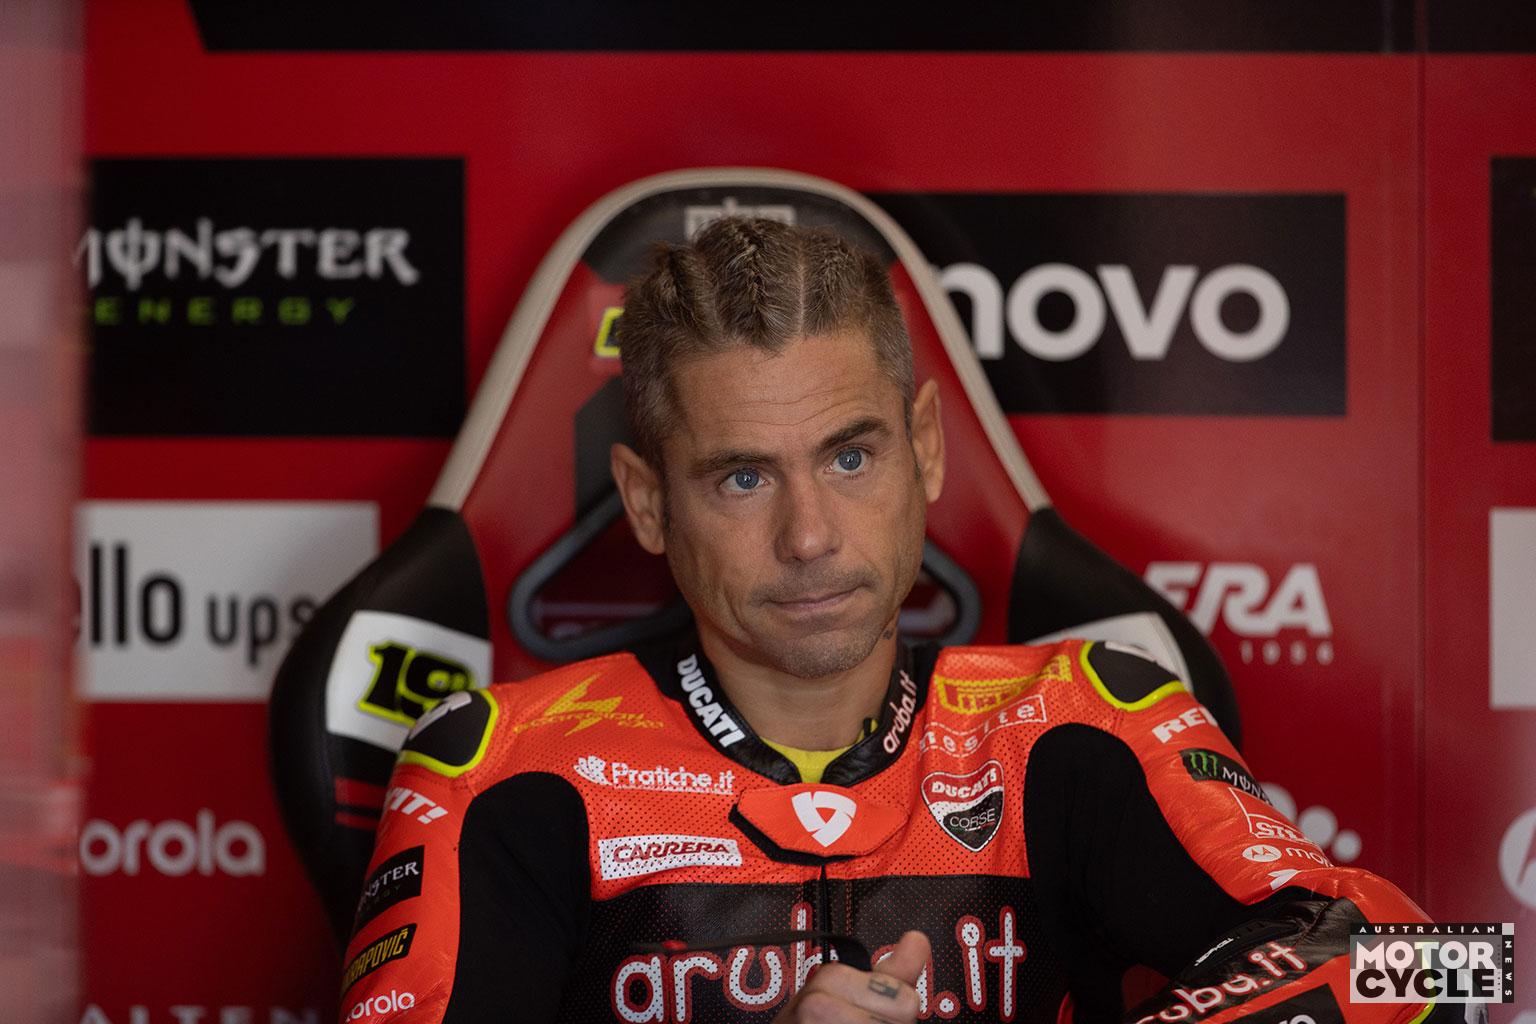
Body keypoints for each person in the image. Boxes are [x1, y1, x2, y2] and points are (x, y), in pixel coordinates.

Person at [337, 218, 1450, 1023]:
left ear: (924, 448)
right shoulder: (499, 770)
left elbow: (1431, 965)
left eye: (850, 458)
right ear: (647, 502)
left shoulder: (1082, 721)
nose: (809, 535)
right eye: (742, 478)